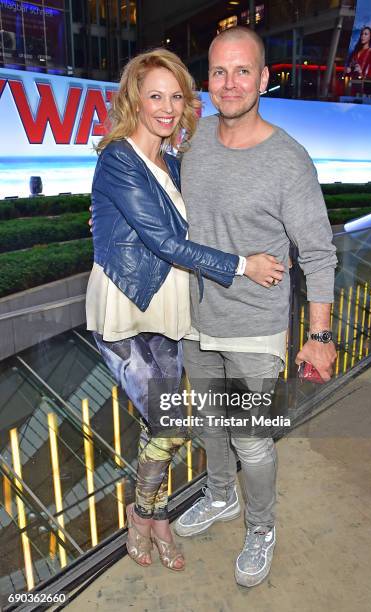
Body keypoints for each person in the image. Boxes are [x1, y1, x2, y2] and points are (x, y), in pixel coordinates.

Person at [86, 48, 284, 572]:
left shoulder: (170, 159)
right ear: (134, 98)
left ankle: (153, 519)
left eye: (176, 96)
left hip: (170, 306)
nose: (168, 107)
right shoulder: (118, 158)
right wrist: (243, 265)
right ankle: (148, 517)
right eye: (156, 95)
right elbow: (166, 241)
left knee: (165, 426)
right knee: (170, 426)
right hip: (128, 307)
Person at [174, 26, 337, 588]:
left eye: (243, 71)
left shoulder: (288, 159)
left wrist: (320, 336)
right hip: (195, 317)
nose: (230, 83)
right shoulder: (191, 146)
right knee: (212, 425)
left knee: (250, 437)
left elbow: (318, 253)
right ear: (207, 83)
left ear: (265, 79)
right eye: (219, 72)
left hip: (255, 325)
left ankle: (261, 526)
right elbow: (166, 216)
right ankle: (220, 497)